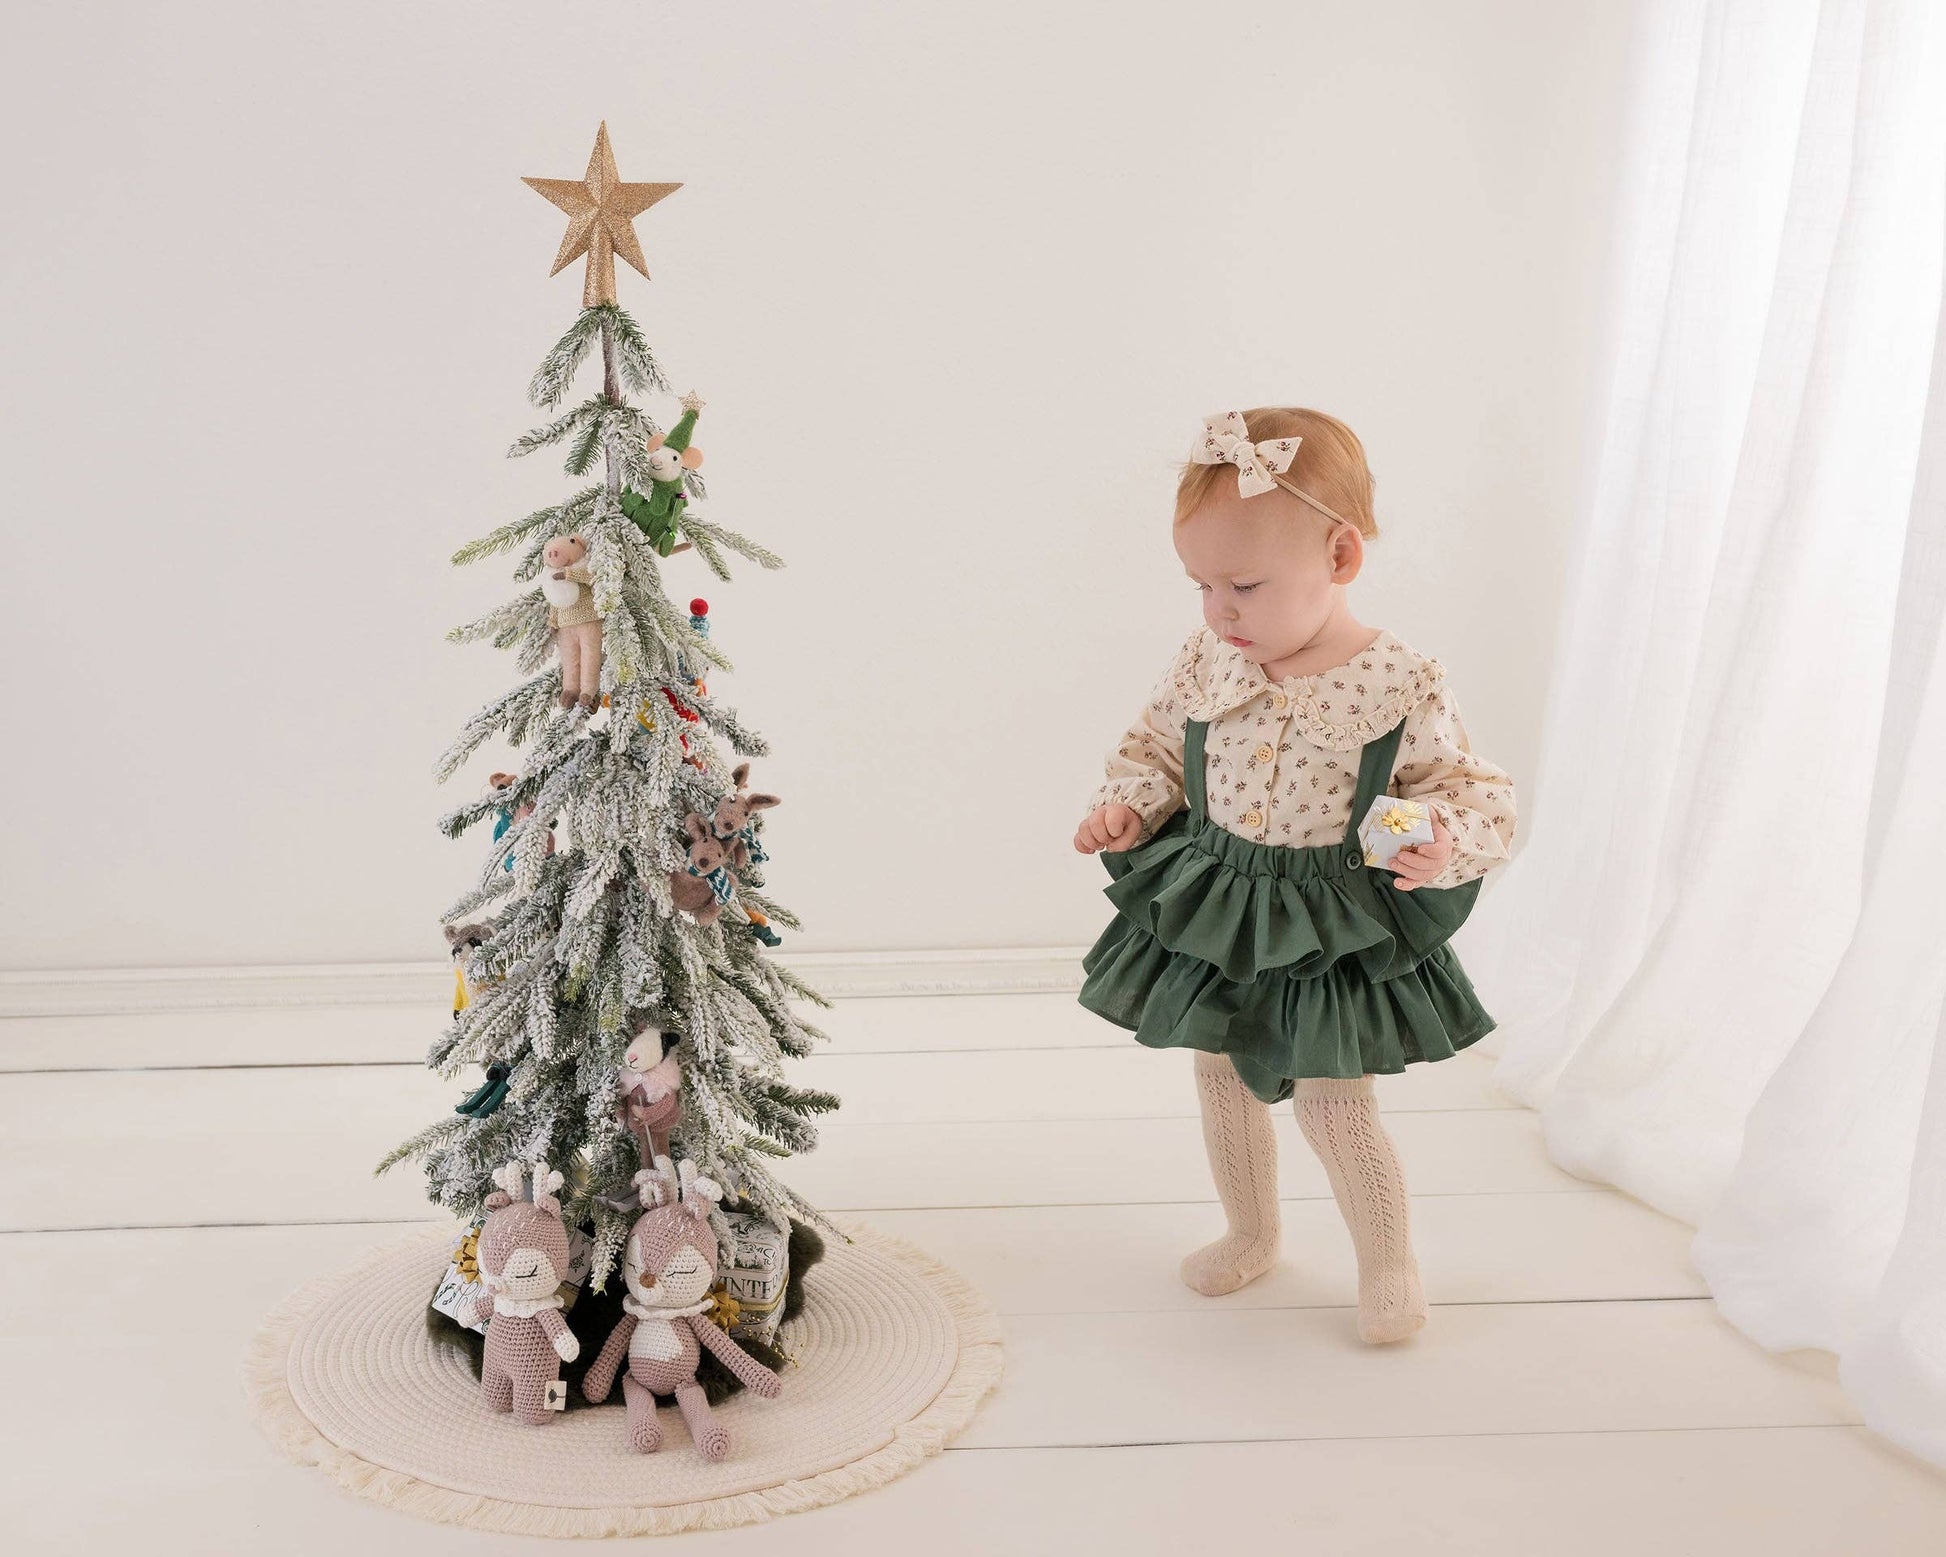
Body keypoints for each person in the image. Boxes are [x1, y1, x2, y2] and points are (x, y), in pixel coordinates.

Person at [1074, 408, 1517, 1343]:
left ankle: (1389, 1260)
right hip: (1221, 903)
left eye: (1242, 584)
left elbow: (1469, 791)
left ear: (1341, 557)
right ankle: (1251, 1231)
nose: (1216, 610)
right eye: (1199, 584)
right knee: (1223, 1076)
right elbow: (1152, 748)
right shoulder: (1207, 659)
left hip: (1329, 920)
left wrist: (1436, 836)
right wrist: (1129, 802)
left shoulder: (1396, 680)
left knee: (1333, 1102)